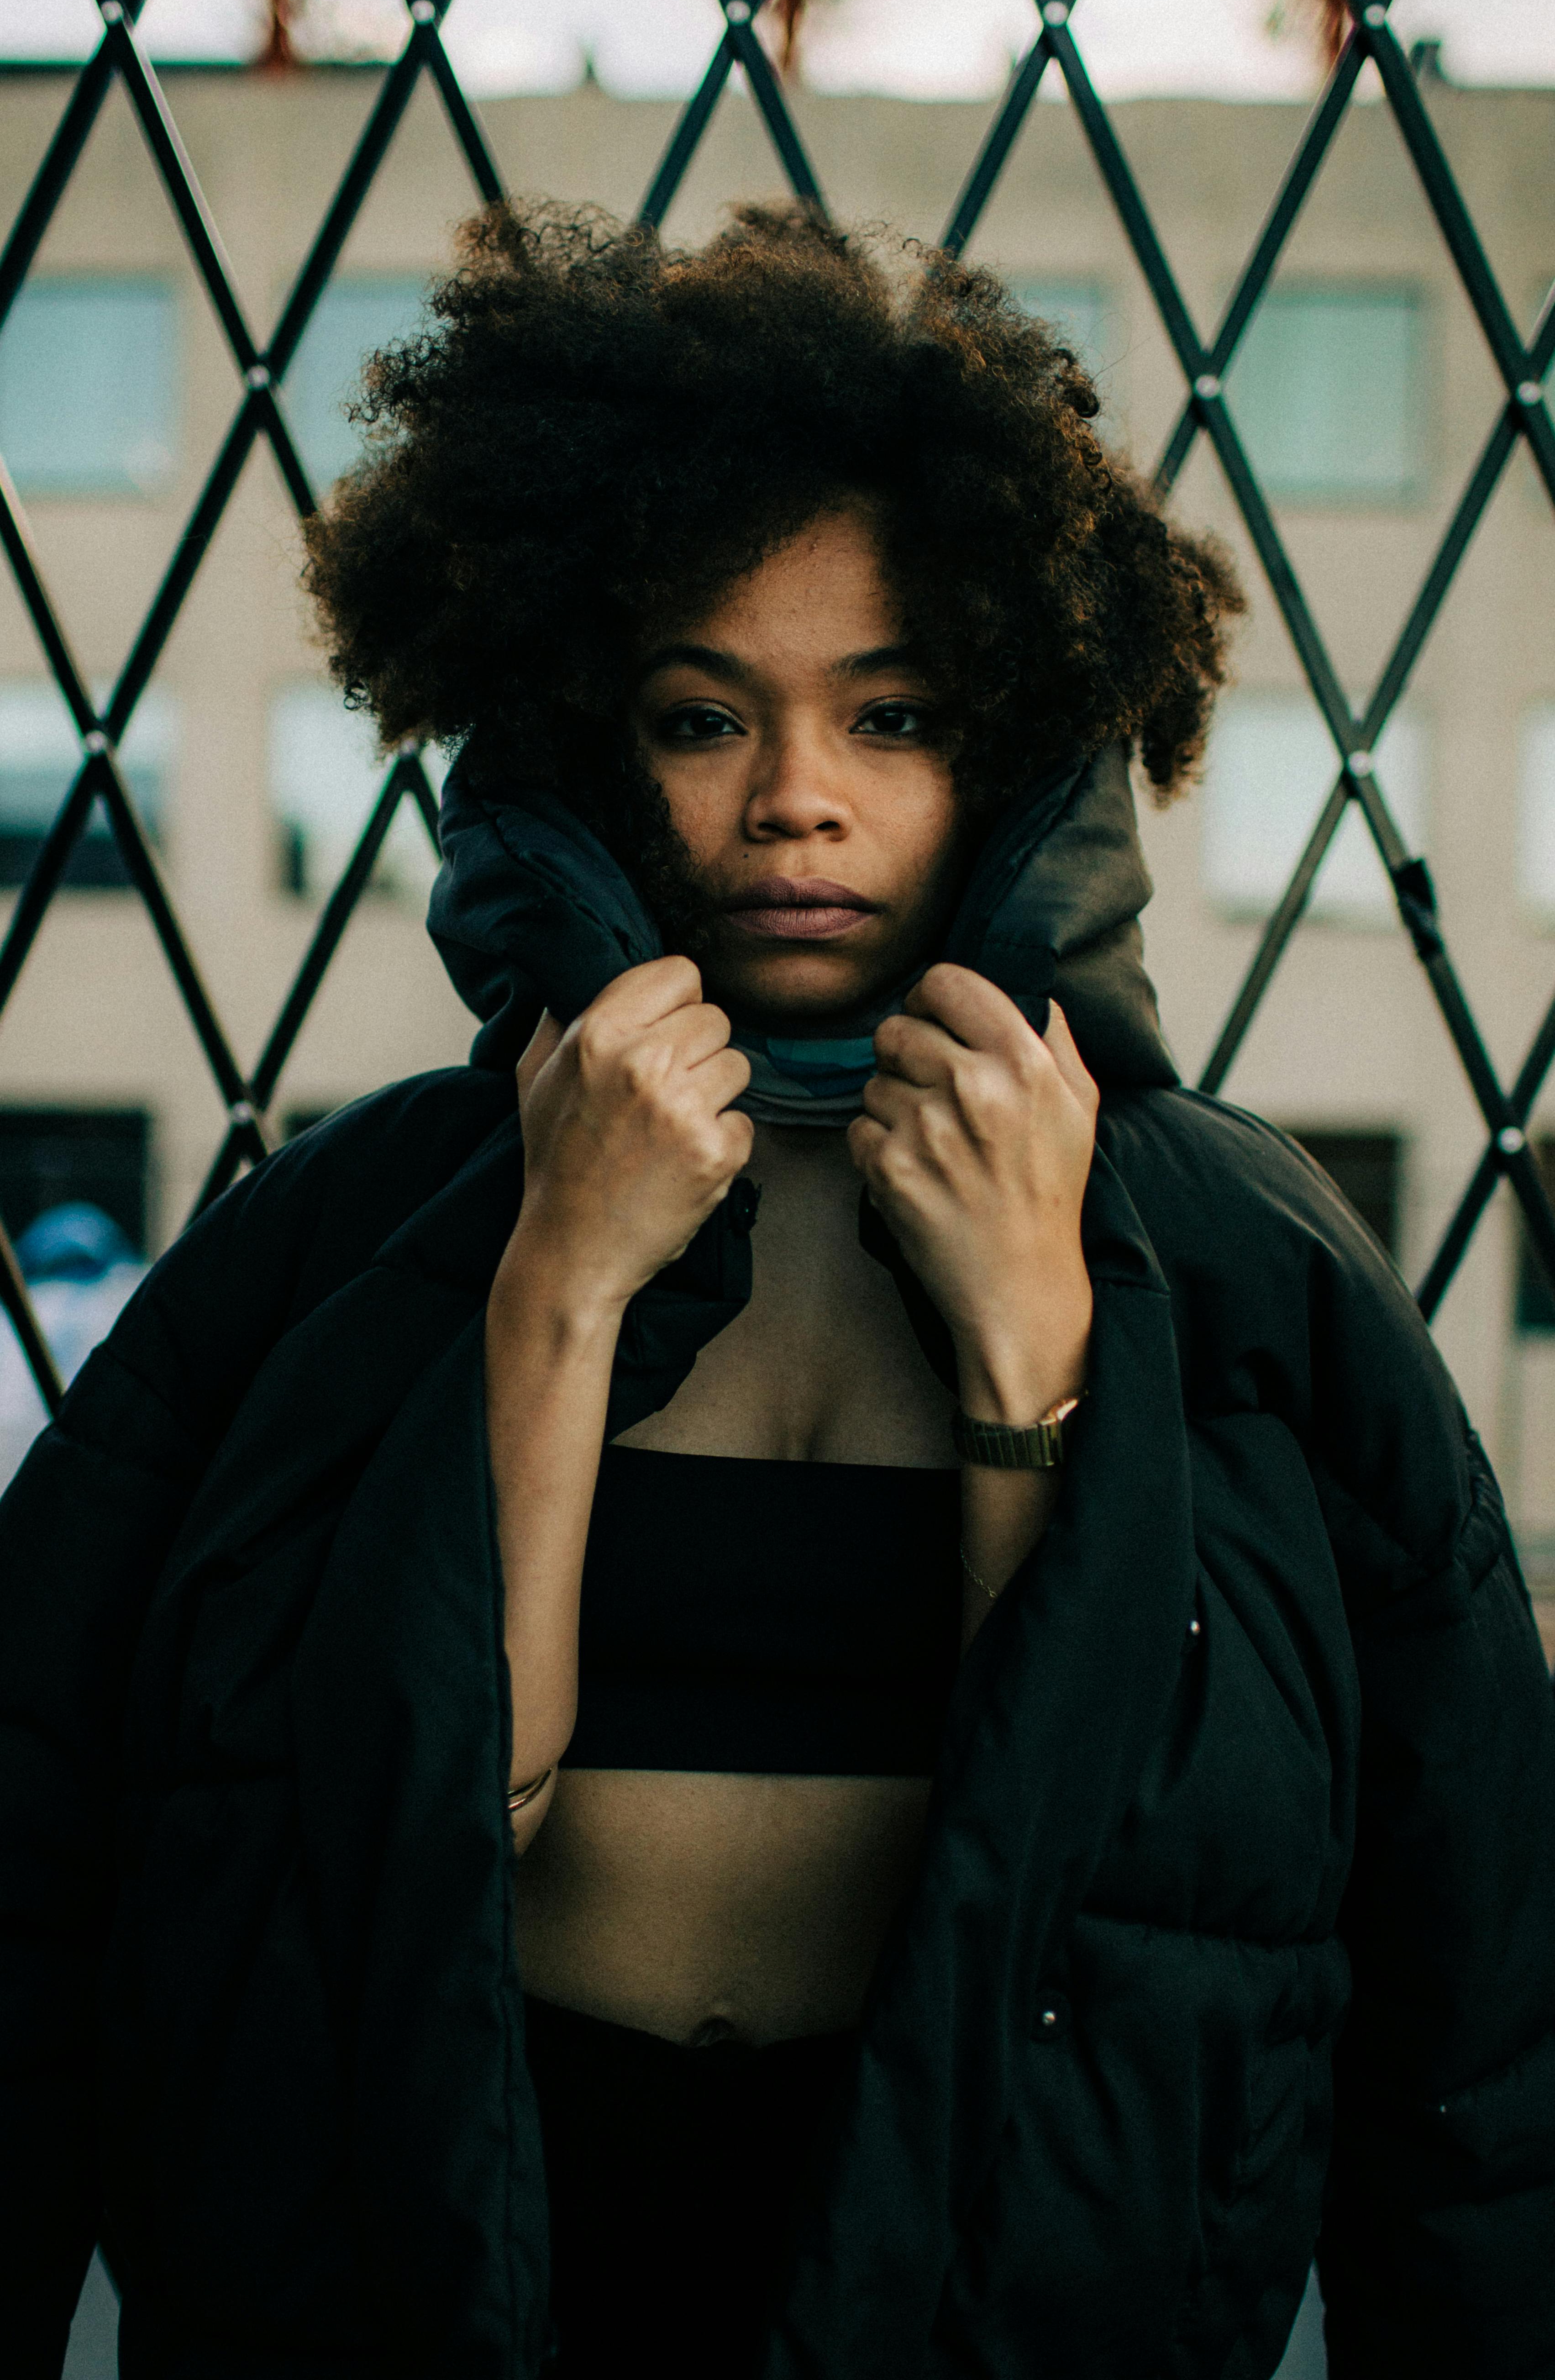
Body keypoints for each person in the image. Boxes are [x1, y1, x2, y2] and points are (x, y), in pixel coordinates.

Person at [1, 203, 1551, 2380]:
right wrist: (553, 1282)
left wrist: (1037, 1342)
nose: (798, 800)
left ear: (1010, 733)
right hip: (435, 2262)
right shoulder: (351, 1231)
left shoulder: (1253, 1258)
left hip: (997, 2283)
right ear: (575, 730)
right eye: (703, 714)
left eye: (893, 714)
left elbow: (1479, 2012)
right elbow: (88, 1846)